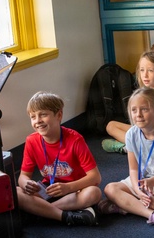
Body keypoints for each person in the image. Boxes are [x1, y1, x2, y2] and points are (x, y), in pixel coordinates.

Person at [99, 88, 154, 224]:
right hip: (143, 180)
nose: (138, 114)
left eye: (144, 109)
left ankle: (126, 205)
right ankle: (153, 214)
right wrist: (139, 191)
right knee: (110, 189)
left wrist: (152, 182)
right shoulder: (131, 134)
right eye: (134, 110)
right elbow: (133, 170)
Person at [17, 91, 102, 226]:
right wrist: (26, 183)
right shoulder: (31, 141)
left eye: (43, 115)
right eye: (33, 117)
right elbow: (23, 176)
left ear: (59, 115)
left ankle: (42, 212)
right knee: (16, 192)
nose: (38, 120)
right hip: (48, 190)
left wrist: (68, 188)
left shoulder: (75, 139)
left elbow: (95, 178)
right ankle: (64, 216)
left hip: (74, 190)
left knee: (94, 193)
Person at [103, 50, 154, 154]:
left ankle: (129, 147)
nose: (145, 75)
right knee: (111, 126)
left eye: (151, 71)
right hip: (142, 130)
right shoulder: (141, 94)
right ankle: (135, 145)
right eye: (142, 70)